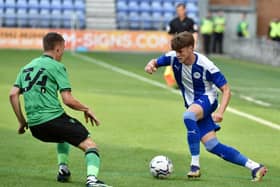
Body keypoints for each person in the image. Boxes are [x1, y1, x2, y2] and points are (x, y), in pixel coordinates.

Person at [144, 31, 267, 182]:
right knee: (212, 145)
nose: (178, 55)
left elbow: (226, 90)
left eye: (181, 51)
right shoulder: (173, 57)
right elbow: (155, 62)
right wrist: (151, 65)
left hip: (208, 99)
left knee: (188, 116)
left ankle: (195, 166)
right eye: (176, 51)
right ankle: (255, 167)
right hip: (193, 104)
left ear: (190, 48)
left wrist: (220, 112)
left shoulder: (206, 65)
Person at [9, 32, 110, 187]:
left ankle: (63, 169)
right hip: (53, 119)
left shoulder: (26, 68)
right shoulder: (57, 66)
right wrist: (86, 108)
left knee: (63, 136)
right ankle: (92, 181)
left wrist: (22, 122)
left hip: (36, 127)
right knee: (90, 145)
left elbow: (13, 94)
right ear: (57, 49)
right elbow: (67, 99)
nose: (63, 53)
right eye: (63, 49)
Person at [165, 3, 198, 87]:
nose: (179, 12)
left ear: (185, 10)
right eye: (178, 10)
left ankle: (189, 81)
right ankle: (176, 81)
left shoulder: (190, 21)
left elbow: (195, 34)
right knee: (175, 64)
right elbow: (169, 35)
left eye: (181, 10)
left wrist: (193, 45)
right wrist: (170, 46)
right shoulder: (173, 22)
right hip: (176, 48)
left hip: (186, 48)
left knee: (188, 65)